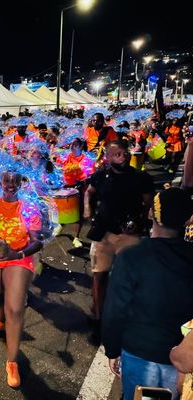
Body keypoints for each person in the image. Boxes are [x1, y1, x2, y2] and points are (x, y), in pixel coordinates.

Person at [102, 188, 193, 400]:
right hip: (180, 359)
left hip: (139, 354)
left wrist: (112, 350)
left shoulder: (132, 256)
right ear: (187, 220)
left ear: (152, 214)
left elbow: (115, 309)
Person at [0, 170, 43, 388]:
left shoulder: (29, 207)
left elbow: (37, 242)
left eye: (14, 181)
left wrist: (17, 254)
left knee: (14, 308)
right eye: (6, 181)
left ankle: (12, 361)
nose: (10, 185)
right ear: (0, 182)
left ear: (21, 183)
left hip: (17, 259)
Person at [84, 140, 154, 326]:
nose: (123, 157)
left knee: (132, 275)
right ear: (107, 157)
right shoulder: (99, 176)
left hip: (129, 234)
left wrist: (140, 223)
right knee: (99, 275)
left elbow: (148, 204)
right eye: (117, 154)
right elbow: (89, 192)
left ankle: (131, 313)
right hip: (104, 233)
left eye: (125, 153)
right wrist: (88, 212)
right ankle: (99, 316)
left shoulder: (141, 178)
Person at [56, 138, 95, 248]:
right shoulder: (65, 157)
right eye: (71, 145)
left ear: (80, 146)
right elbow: (57, 168)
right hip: (66, 188)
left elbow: (91, 174)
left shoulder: (86, 159)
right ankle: (61, 224)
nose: (72, 147)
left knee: (79, 213)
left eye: (75, 145)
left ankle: (76, 238)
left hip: (81, 189)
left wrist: (84, 181)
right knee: (64, 209)